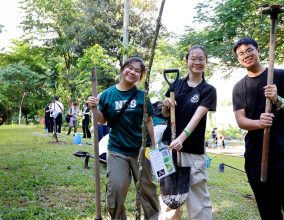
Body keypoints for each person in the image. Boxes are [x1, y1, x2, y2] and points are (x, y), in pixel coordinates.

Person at [232, 37, 284, 220]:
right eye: (241, 54)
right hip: (257, 158)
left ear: (258, 51)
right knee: (268, 212)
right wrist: (259, 123)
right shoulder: (239, 87)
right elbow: (241, 120)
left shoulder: (281, 76)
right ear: (239, 60)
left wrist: (278, 99)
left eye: (249, 50)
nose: (246, 55)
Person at [87, 57, 159, 220]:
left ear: (140, 76)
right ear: (123, 69)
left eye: (137, 71)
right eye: (130, 68)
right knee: (117, 187)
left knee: (146, 189)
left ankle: (153, 218)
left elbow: (149, 122)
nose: (133, 72)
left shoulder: (143, 96)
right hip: (117, 149)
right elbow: (103, 120)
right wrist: (93, 108)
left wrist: (154, 146)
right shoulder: (107, 94)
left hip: (141, 150)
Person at [160, 45, 217, 220]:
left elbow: (197, 118)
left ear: (206, 62)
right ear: (187, 61)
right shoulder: (175, 85)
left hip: (192, 150)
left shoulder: (208, 90)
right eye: (193, 58)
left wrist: (181, 138)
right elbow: (164, 115)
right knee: (169, 199)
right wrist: (165, 105)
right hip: (167, 148)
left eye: (201, 59)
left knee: (198, 201)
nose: (197, 62)